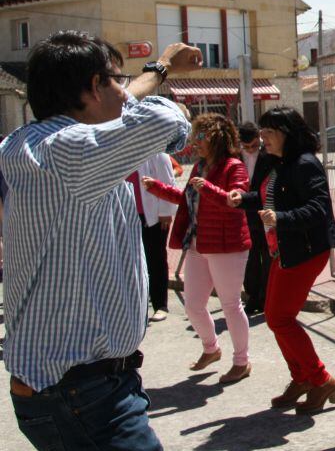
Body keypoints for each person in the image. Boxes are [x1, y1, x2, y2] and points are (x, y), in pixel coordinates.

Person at [2, 31, 200, 450]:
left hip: (71, 386)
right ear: (93, 87)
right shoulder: (71, 151)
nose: (125, 92)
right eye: (114, 80)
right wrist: (155, 82)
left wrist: (158, 68)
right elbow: (164, 122)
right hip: (80, 392)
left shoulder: (24, 144)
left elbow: (118, 107)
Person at [227, 106, 335, 414]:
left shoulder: (305, 164)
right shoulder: (276, 162)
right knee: (275, 316)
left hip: (305, 250)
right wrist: (244, 200)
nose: (262, 138)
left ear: (287, 134)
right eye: (262, 131)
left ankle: (320, 379)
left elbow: (320, 208)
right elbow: (268, 198)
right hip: (283, 249)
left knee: (280, 318)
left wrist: (281, 218)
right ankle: (303, 378)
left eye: (269, 132)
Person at [142, 113, 252, 385]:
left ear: (217, 137)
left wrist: (209, 189)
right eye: (194, 137)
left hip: (226, 245)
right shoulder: (199, 167)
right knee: (193, 305)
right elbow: (189, 199)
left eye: (201, 137)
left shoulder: (233, 166)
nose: (195, 143)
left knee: (230, 304)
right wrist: (158, 189)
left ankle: (242, 361)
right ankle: (211, 348)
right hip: (197, 243)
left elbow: (233, 200)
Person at [129, 153, 177, 322]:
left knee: (155, 258)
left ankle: (160, 305)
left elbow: (168, 182)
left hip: (152, 216)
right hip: (128, 215)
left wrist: (165, 212)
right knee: (133, 262)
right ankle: (138, 305)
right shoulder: (122, 151)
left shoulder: (158, 154)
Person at [238, 120, 274, 315]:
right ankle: (252, 296)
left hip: (265, 210)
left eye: (254, 145)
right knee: (250, 257)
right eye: (247, 147)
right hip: (244, 211)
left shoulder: (268, 154)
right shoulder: (236, 156)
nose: (251, 150)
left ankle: (266, 296)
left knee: (268, 255)